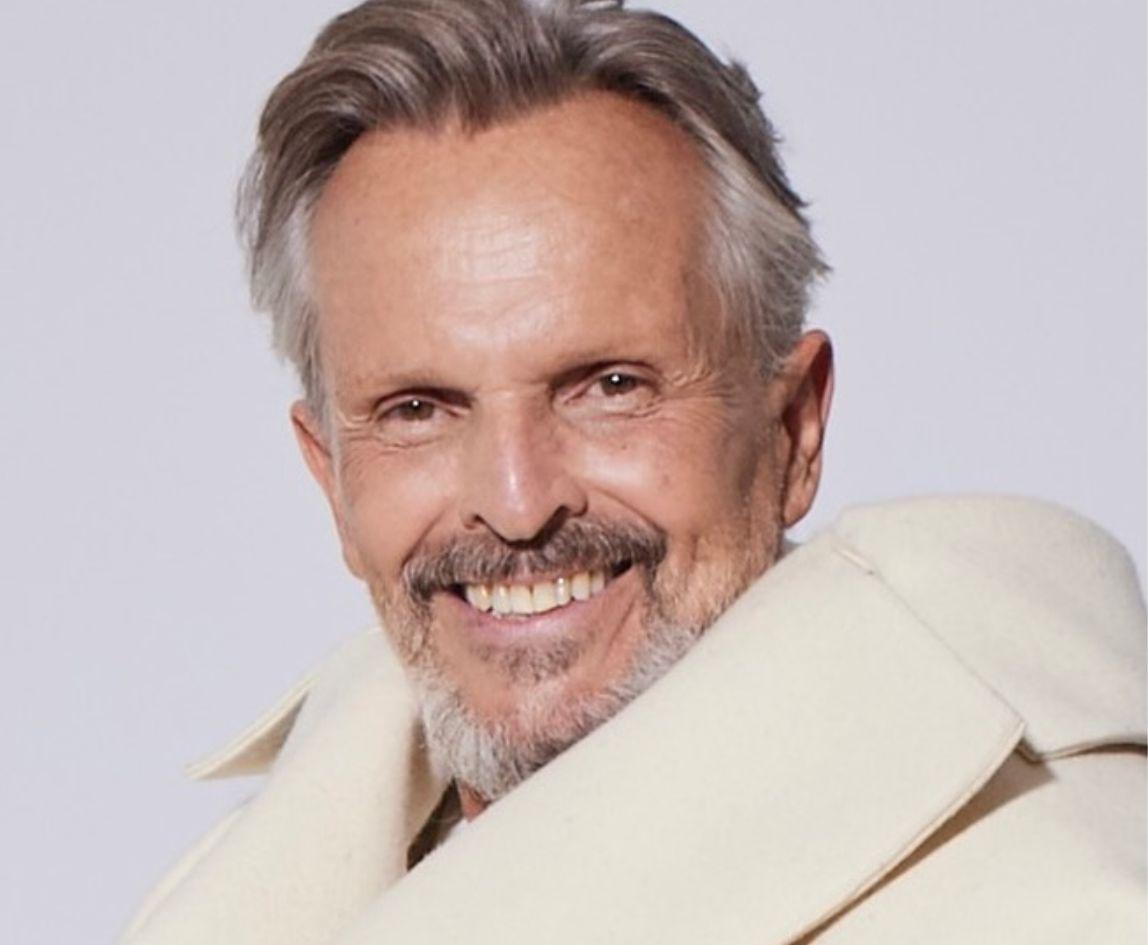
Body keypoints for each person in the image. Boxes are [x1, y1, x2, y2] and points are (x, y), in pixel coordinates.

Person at [118, 1, 1145, 942]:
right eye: (417, 411)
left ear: (793, 426)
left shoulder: (1058, 905)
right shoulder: (233, 900)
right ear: (331, 479)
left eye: (609, 387)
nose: (517, 504)